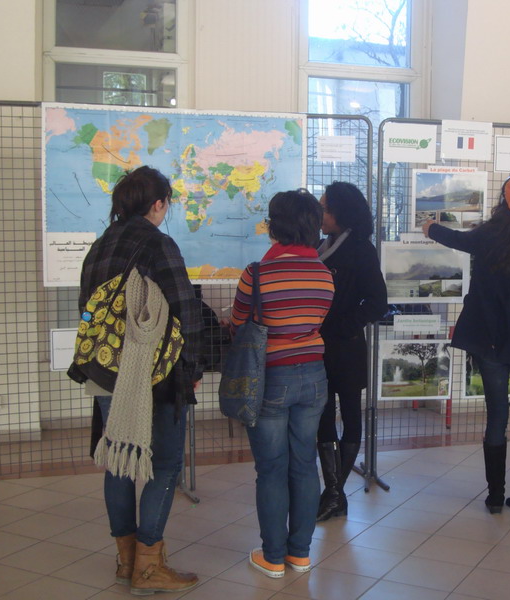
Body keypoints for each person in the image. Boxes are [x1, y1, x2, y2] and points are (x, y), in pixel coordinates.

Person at [78, 166, 202, 594]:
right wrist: (193, 370)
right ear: (158, 204)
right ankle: (149, 564)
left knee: (118, 458)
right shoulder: (159, 243)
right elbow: (185, 309)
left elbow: (87, 308)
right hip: (153, 374)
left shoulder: (98, 246)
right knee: (165, 462)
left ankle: (125, 560)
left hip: (105, 369)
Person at [423, 171, 510, 515]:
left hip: (490, 341)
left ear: (506, 200)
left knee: (496, 417)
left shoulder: (488, 237)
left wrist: (430, 228)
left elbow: (456, 239)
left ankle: (495, 496)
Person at [230, 189, 334, 578]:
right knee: (305, 465)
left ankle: (272, 557)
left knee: (272, 469)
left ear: (276, 226)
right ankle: (301, 554)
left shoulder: (257, 273)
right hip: (314, 376)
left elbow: (241, 325)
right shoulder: (323, 274)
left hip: (269, 378)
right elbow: (315, 321)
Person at [315, 181, 388, 522]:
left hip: (346, 347)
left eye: (326, 209)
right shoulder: (319, 246)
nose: (321, 214)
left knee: (351, 415)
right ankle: (334, 493)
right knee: (323, 416)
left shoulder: (361, 249)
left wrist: (344, 325)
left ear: (342, 213)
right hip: (319, 348)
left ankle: (334, 492)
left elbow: (377, 302)